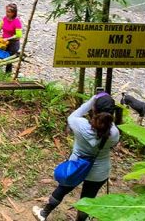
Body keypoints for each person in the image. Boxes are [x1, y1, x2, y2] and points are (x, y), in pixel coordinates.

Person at [33, 93, 120, 221]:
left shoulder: (80, 124)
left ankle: (44, 213)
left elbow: (74, 115)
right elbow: (108, 130)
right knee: (87, 199)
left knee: (63, 188)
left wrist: (92, 100)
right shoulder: (114, 133)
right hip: (99, 172)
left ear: (94, 109)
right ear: (112, 113)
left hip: (76, 166)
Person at [0, 3, 23, 72]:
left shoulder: (17, 21)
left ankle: (8, 74)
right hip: (4, 42)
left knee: (9, 61)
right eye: (6, 11)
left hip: (13, 43)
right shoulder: (5, 18)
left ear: (13, 13)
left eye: (8, 12)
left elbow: (18, 35)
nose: (7, 13)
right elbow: (0, 26)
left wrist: (7, 38)